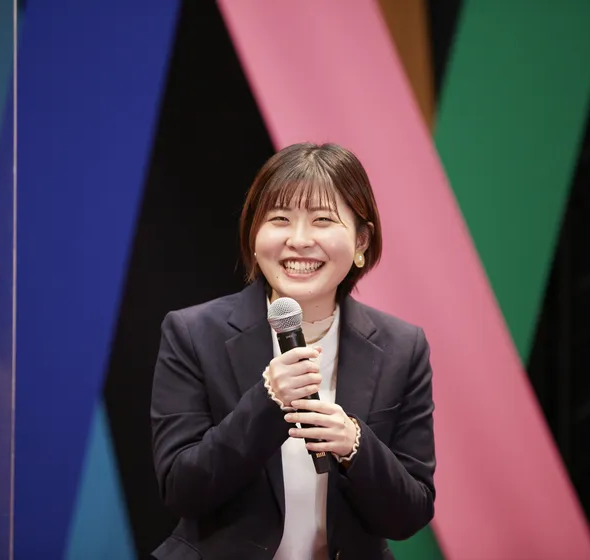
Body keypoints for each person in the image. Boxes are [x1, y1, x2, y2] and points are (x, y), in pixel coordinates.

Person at [150, 142, 436, 560]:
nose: (299, 241)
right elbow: (181, 489)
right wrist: (268, 401)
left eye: (322, 220)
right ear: (254, 235)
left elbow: (410, 514)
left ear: (361, 241)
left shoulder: (402, 347)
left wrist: (354, 444)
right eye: (280, 219)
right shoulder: (193, 333)